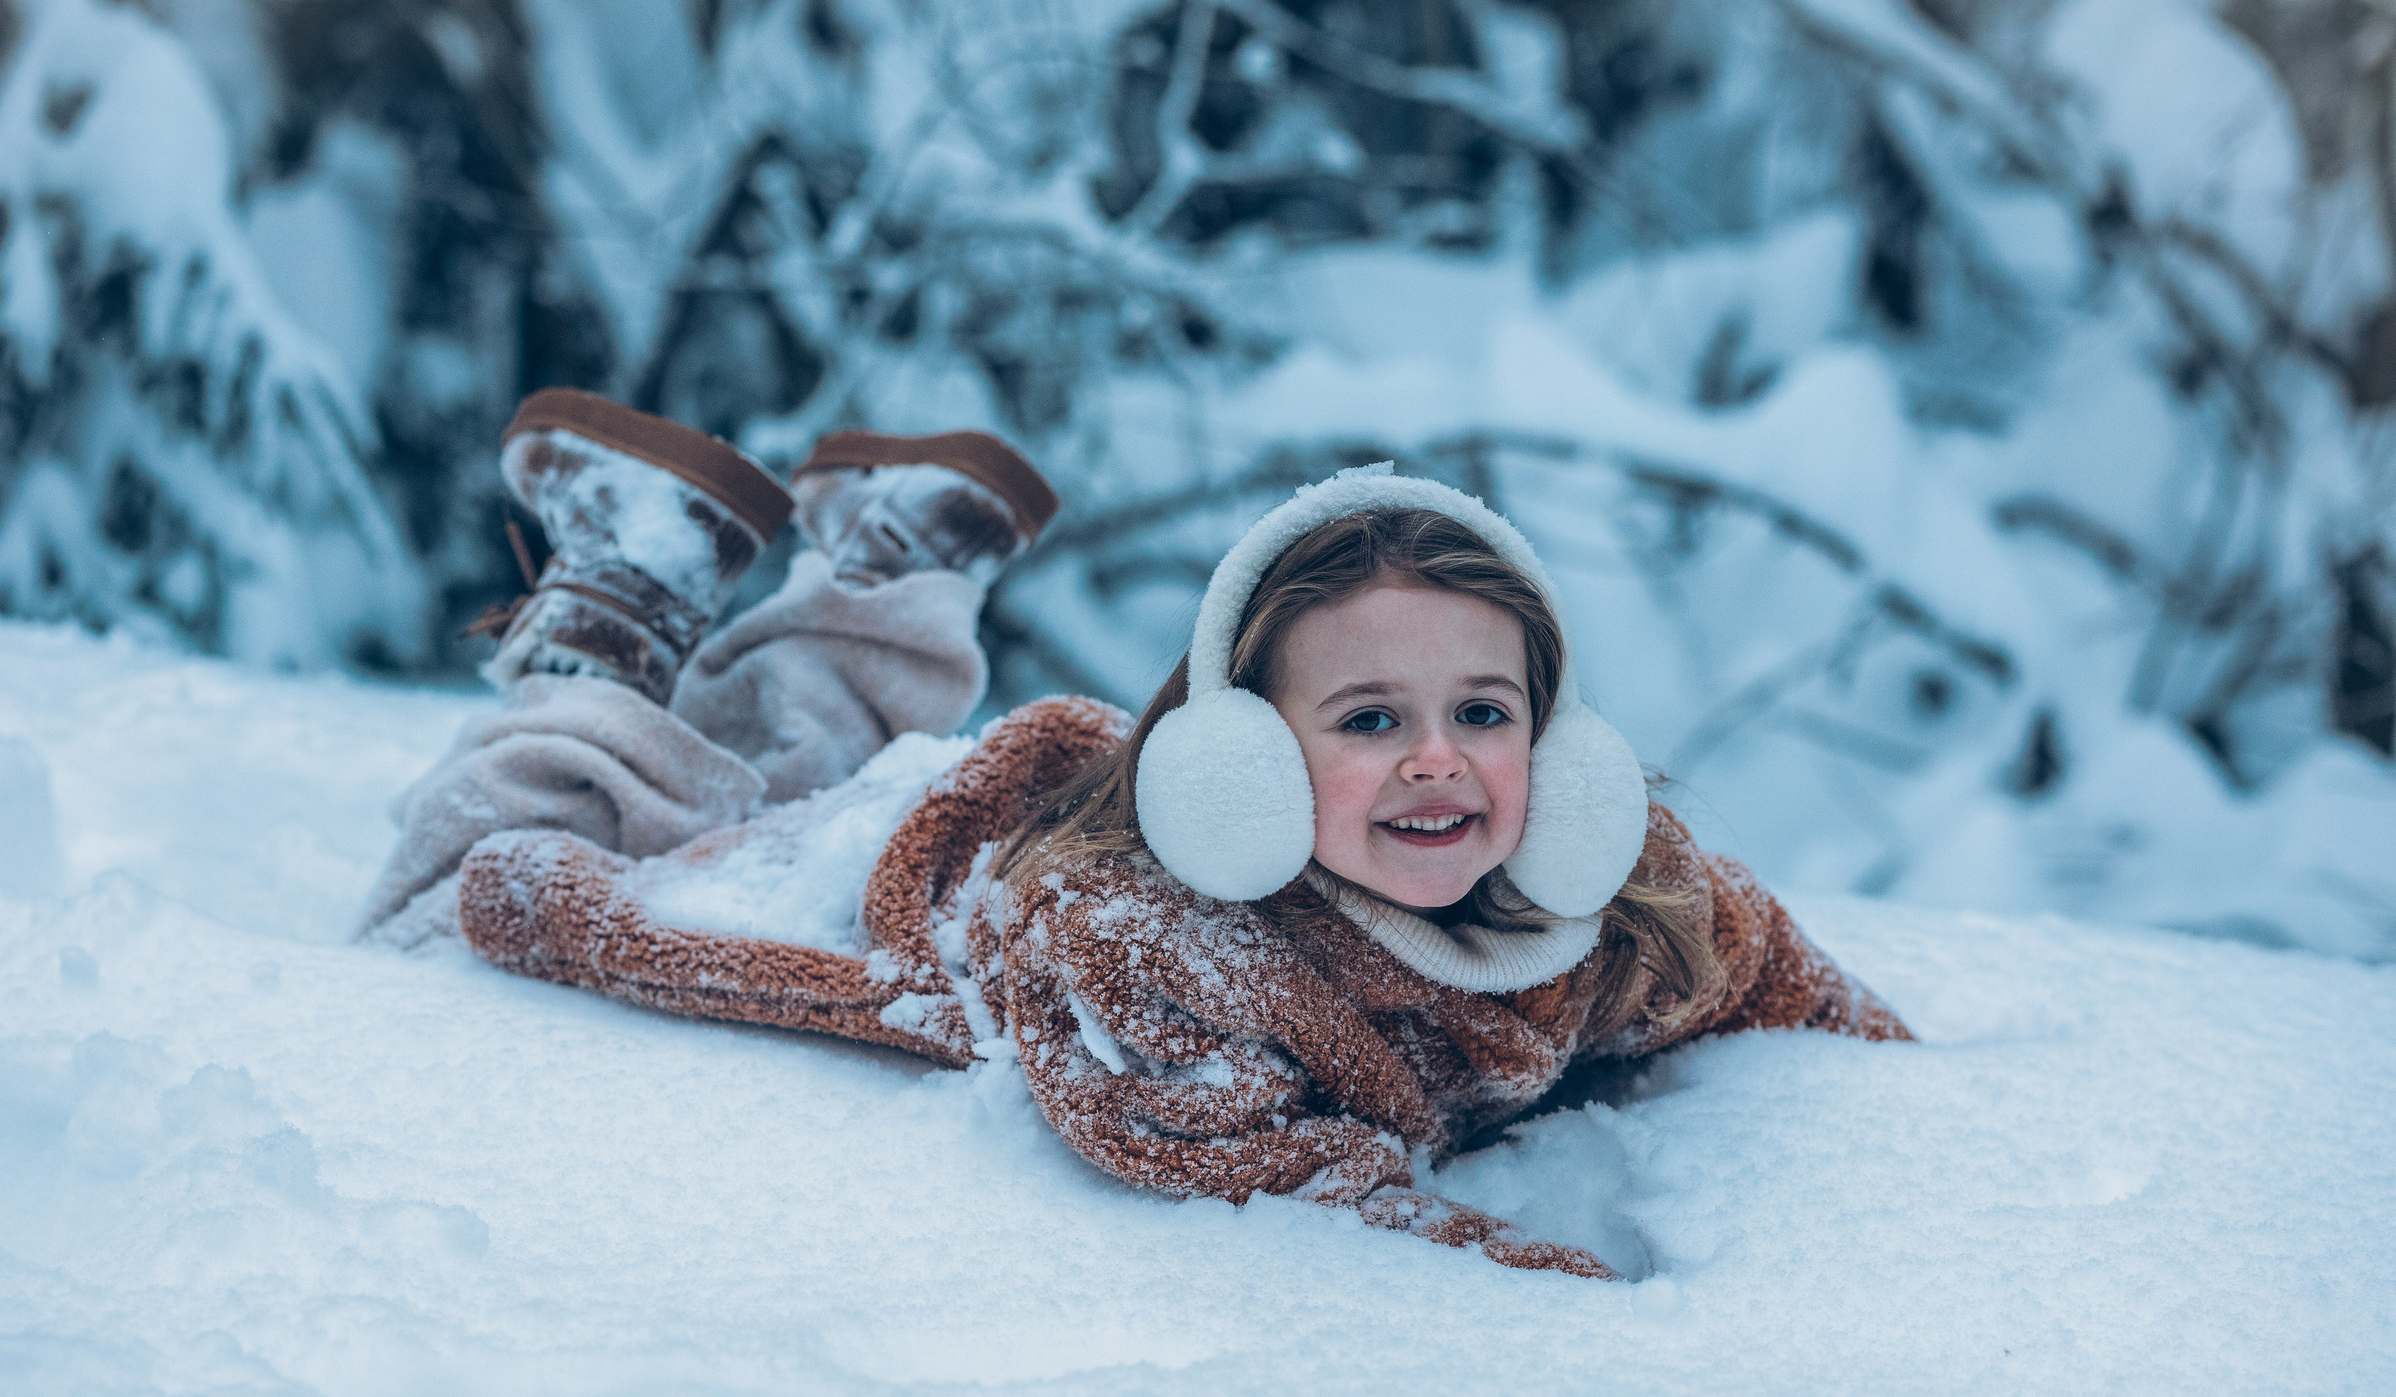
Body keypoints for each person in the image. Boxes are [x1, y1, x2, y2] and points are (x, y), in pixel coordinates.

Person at [369, 392, 1911, 1279]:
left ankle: (878, 564)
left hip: (1028, 799)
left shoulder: (1622, 884)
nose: (1439, 762)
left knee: (773, 779)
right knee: (499, 886)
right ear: (1238, 758)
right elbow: (1302, 1200)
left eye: (1486, 714)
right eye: (1367, 720)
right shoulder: (1162, 952)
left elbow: (1782, 980)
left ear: (1558, 743)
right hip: (916, 883)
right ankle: (619, 604)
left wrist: (1904, 1100)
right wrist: (1568, 1292)